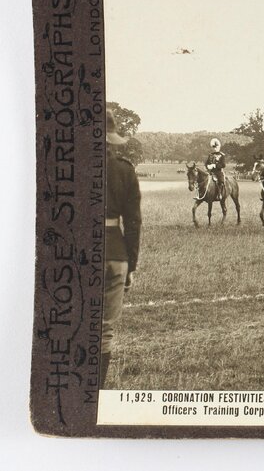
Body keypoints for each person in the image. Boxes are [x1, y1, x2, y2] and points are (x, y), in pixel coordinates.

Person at [102, 110, 142, 389]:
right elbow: (133, 223)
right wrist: (132, 266)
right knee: (104, 330)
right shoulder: (125, 169)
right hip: (116, 254)